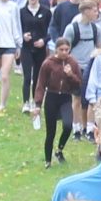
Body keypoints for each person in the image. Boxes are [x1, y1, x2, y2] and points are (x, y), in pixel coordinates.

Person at [37, 37, 84, 166]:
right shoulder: (48, 63)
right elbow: (40, 84)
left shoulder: (73, 63)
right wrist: (37, 104)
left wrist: (70, 75)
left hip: (65, 97)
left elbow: (79, 83)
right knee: (50, 131)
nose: (64, 52)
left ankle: (60, 149)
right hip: (52, 96)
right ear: (56, 49)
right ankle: (47, 160)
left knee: (68, 125)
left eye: (67, 50)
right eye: (61, 50)